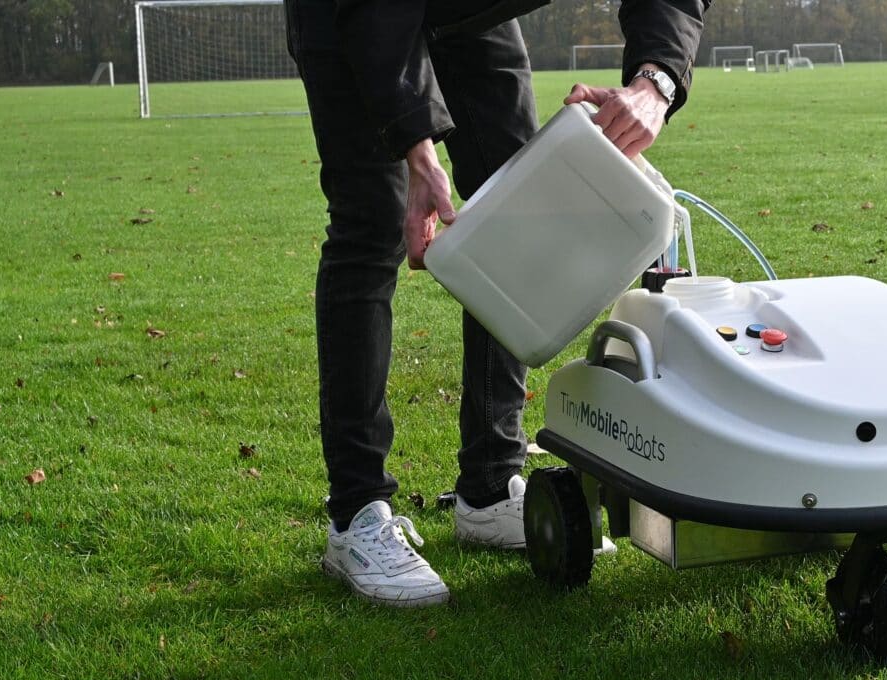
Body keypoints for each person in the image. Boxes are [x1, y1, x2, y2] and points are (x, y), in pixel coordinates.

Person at [283, 0, 707, 607]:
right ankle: (357, 513)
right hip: (354, 15)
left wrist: (655, 83)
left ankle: (488, 485)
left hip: (470, 14)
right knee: (371, 226)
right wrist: (417, 152)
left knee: (521, 206)